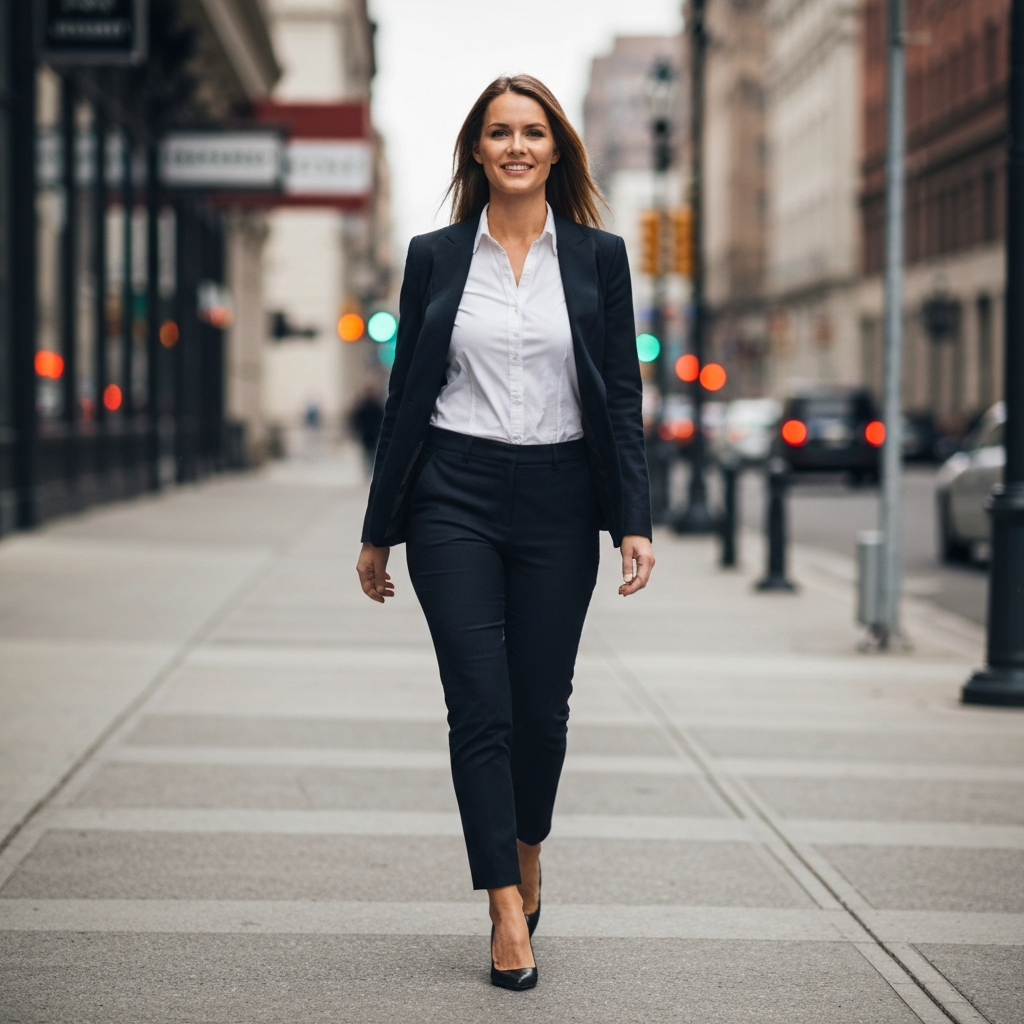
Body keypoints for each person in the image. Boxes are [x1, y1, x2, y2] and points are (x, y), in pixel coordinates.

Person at [355, 74, 654, 990]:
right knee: (479, 704)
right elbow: (406, 397)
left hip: (561, 498)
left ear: (556, 149)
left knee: (541, 709)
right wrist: (379, 530)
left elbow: (621, 397)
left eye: (532, 132)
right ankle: (502, 907)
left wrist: (632, 521)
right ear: (477, 151)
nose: (516, 146)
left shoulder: (599, 258)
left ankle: (527, 849)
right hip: (453, 493)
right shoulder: (436, 256)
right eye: (499, 132)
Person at [349, 384, 385, 477]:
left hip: (369, 432)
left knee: (369, 451)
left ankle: (369, 468)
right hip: (370, 432)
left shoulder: (365, 405)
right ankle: (370, 468)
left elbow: (356, 419)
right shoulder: (373, 405)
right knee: (370, 451)